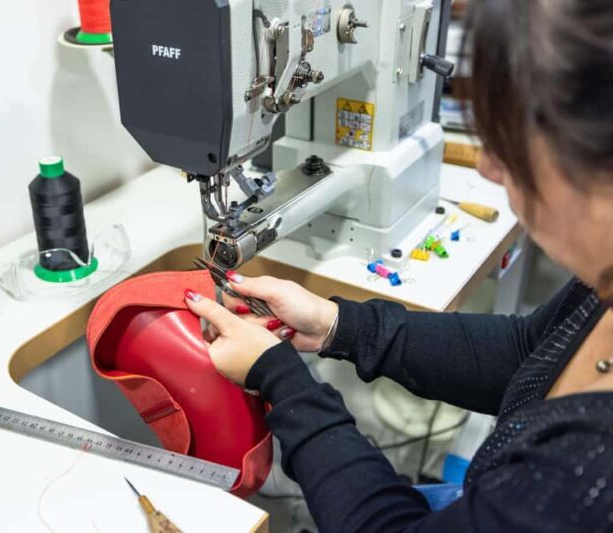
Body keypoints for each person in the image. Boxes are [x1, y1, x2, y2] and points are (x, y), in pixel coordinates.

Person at [183, 1, 613, 531]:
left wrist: (280, 378)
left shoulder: (590, 474)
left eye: (509, 143)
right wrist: (338, 324)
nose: (486, 167)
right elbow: (528, 352)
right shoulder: (602, 288)